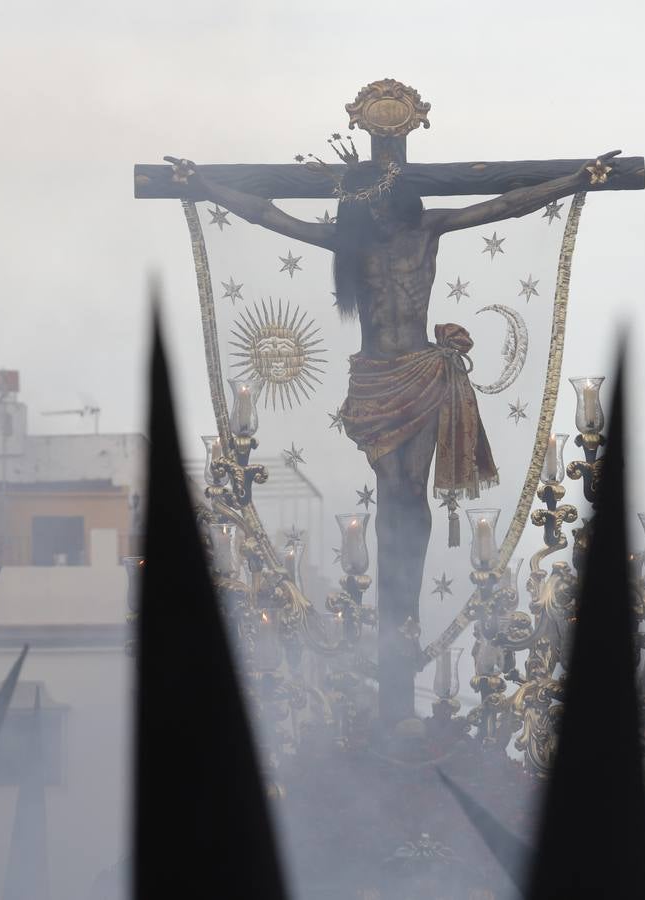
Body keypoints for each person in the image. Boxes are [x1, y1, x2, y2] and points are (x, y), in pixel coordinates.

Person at [182, 148, 619, 724]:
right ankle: (391, 601)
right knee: (392, 488)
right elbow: (270, 216)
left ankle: (404, 602)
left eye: (385, 204)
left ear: (397, 201)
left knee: (411, 490)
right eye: (370, 208)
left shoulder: (428, 227)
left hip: (421, 371)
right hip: (374, 378)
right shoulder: (349, 243)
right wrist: (206, 186)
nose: (381, 216)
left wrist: (574, 181)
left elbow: (505, 205)